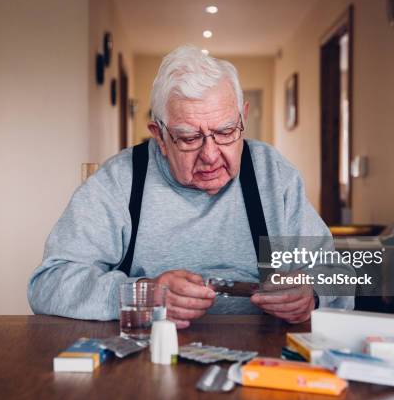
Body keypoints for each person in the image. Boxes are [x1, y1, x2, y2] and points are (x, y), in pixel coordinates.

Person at [28, 45, 353, 328]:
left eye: (226, 132)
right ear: (159, 136)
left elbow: (338, 276)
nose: (210, 155)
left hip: (261, 360)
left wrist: (312, 294)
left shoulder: (272, 173)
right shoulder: (121, 180)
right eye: (189, 138)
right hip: (146, 362)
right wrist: (140, 294)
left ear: (244, 116)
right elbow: (47, 285)